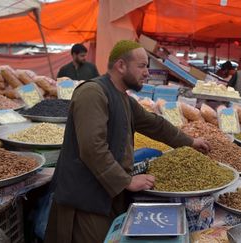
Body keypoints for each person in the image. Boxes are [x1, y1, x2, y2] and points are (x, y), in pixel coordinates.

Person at [45, 40, 210, 243]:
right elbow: (92, 147)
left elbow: (154, 124)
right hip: (84, 200)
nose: (147, 72)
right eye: (142, 66)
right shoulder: (92, 93)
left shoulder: (122, 97)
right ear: (121, 66)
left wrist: (190, 142)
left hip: (106, 193)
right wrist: (127, 181)